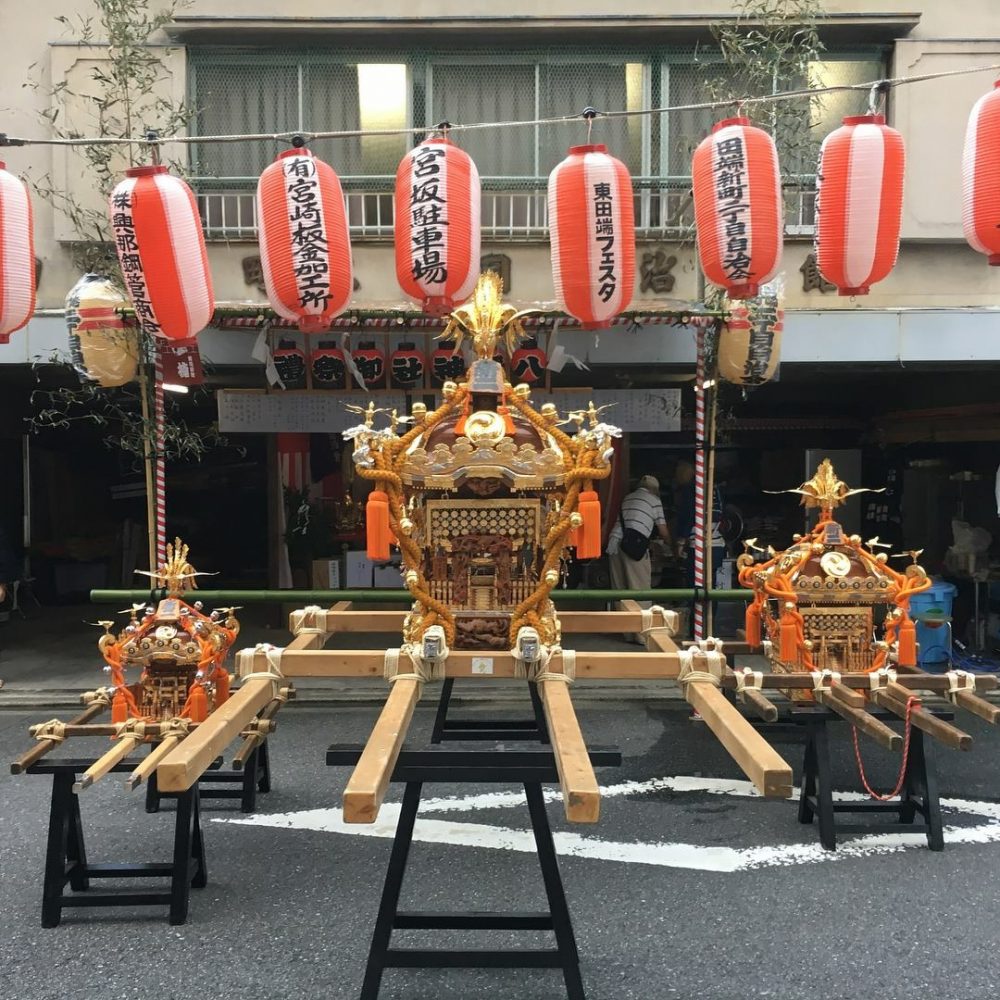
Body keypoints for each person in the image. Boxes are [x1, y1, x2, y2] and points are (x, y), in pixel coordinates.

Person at [607, 475, 671, 642]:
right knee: (639, 589)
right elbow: (663, 531)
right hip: (633, 547)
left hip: (614, 544)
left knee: (620, 590)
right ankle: (642, 635)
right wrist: (672, 546)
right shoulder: (654, 500)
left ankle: (627, 633)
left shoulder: (628, 497)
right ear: (654, 490)